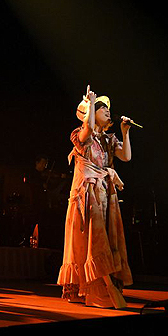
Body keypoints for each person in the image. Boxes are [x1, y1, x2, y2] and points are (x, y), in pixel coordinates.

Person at [57, 86, 133, 309]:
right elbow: (88, 128)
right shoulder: (81, 135)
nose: (107, 111)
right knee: (92, 241)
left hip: (104, 193)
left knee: (104, 239)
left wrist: (125, 132)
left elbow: (126, 156)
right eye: (101, 108)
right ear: (90, 112)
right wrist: (90, 103)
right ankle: (99, 289)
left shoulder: (108, 139)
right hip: (87, 194)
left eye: (107, 108)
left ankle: (99, 288)